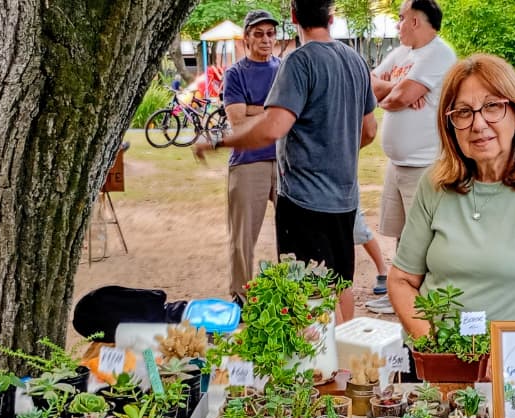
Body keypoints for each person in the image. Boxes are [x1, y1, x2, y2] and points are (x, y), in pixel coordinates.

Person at [195, 0, 378, 323]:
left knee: (309, 297)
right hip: (345, 199)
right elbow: (369, 130)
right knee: (340, 284)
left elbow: (272, 128)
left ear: (293, 16)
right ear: (332, 16)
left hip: (305, 202)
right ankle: (344, 350)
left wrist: (218, 141)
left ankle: (323, 355)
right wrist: (337, 150)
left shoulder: (298, 60)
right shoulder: (354, 60)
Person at [387, 54, 515, 331]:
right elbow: (401, 279)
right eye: (463, 112)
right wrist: (435, 347)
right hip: (436, 350)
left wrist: (512, 349)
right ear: (450, 126)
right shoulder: (435, 182)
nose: (478, 124)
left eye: (492, 106)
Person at [365, 0, 456, 315]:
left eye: (401, 18)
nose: (398, 24)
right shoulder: (402, 53)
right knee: (402, 235)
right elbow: (370, 84)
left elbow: (398, 99)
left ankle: (423, 301)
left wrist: (397, 93)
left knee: (424, 236)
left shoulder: (439, 54)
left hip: (424, 164)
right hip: (398, 164)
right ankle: (399, 294)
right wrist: (397, 88)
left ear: (416, 21)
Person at [221, 9, 281, 303]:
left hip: (285, 161)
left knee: (293, 232)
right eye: (258, 34)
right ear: (246, 38)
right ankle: (241, 297)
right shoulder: (235, 73)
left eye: (270, 33)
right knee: (242, 237)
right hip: (248, 161)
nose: (266, 39)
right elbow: (237, 121)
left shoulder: (284, 69)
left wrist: (253, 108)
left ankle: (290, 292)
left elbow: (295, 112)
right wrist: (272, 112)